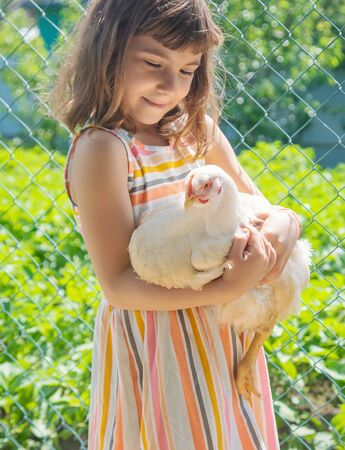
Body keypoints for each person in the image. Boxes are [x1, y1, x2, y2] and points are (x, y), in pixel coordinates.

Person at [50, 0, 302, 448]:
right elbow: (119, 284)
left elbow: (256, 204)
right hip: (156, 340)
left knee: (224, 432)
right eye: (153, 62)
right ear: (108, 52)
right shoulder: (104, 149)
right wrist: (224, 289)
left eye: (187, 70)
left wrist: (286, 224)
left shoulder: (196, 131)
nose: (171, 85)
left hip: (223, 336)